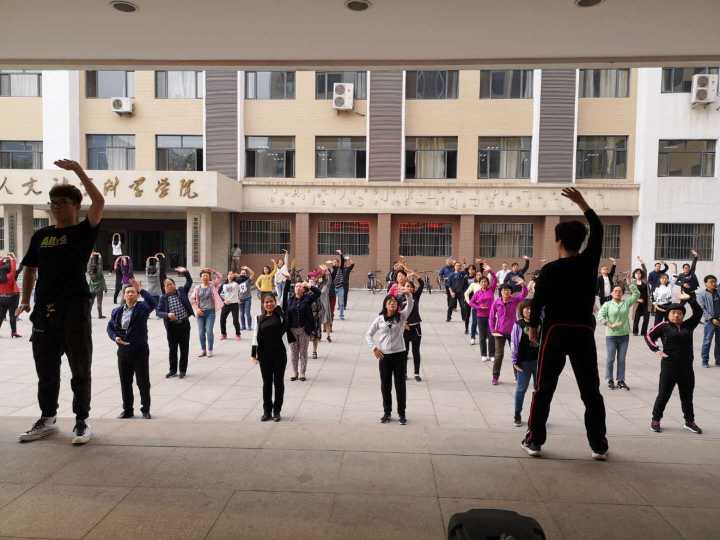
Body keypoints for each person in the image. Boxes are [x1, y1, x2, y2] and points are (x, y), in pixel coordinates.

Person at [16, 159, 104, 445]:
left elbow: (99, 201)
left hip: (74, 309)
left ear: (75, 205)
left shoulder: (83, 231)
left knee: (80, 368)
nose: (56, 206)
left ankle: (82, 420)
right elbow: (30, 269)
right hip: (44, 311)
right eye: (53, 202)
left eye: (62, 202)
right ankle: (48, 418)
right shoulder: (41, 235)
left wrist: (78, 171)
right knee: (46, 369)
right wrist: (25, 299)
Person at [522, 187, 609, 461]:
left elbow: (538, 303)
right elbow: (598, 229)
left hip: (556, 331)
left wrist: (533, 328)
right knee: (591, 391)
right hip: (583, 330)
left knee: (544, 388)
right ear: (582, 242)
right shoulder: (589, 262)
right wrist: (582, 202)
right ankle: (598, 445)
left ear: (558, 241)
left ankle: (534, 440)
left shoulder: (550, 270)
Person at [645, 293, 703, 434]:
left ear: (683, 315)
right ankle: (655, 420)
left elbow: (698, 312)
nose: (676, 315)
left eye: (679, 313)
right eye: (673, 313)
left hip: (687, 368)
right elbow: (648, 336)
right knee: (663, 395)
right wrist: (656, 349)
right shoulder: (663, 326)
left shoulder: (688, 325)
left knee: (687, 397)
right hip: (669, 367)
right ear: (668, 314)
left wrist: (690, 299)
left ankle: (689, 421)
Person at [107, 279, 156, 419]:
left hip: (140, 351)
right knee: (125, 382)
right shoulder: (117, 311)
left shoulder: (142, 308)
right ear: (124, 295)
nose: (130, 294)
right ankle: (127, 409)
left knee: (143, 382)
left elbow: (153, 303)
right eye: (127, 292)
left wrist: (141, 289)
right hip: (123, 352)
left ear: (137, 295)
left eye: (132, 292)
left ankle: (145, 409)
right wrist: (115, 337)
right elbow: (110, 328)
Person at [366, 290, 414, 425]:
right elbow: (368, 335)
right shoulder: (379, 319)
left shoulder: (401, 316)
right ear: (385, 305)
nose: (392, 304)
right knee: (385, 386)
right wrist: (374, 348)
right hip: (384, 356)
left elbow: (410, 305)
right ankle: (387, 412)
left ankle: (402, 413)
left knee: (400, 385)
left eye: (394, 302)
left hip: (399, 355)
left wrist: (408, 294)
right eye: (390, 302)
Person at [251, 293, 294, 422]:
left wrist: (279, 310)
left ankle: (277, 411)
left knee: (278, 383)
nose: (269, 304)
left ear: (275, 302)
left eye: (271, 301)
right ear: (263, 304)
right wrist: (253, 354)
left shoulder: (281, 317)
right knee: (267, 383)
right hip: (264, 355)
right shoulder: (259, 318)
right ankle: (266, 411)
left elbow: (286, 312)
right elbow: (255, 336)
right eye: (266, 302)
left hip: (279, 354)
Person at [597, 281, 641, 390]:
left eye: (620, 291)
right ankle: (610, 379)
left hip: (624, 336)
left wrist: (631, 284)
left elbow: (637, 294)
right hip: (611, 336)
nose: (617, 293)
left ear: (622, 294)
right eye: (615, 291)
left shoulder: (626, 303)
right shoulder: (607, 304)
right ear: (611, 293)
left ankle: (621, 380)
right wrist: (610, 325)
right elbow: (600, 316)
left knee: (621, 359)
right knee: (610, 359)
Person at [156, 267, 193, 378]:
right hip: (171, 327)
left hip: (184, 324)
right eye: (167, 285)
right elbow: (158, 312)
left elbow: (189, 282)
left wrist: (186, 272)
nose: (169, 286)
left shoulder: (181, 291)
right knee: (172, 349)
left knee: (184, 348)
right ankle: (172, 370)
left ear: (174, 285)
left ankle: (182, 370)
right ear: (164, 288)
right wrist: (167, 315)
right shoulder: (163, 298)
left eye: (170, 284)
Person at [489, 279, 528, 385]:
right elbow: (491, 317)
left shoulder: (515, 300)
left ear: (511, 292)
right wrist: (493, 330)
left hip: (513, 332)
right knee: (498, 355)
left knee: (516, 354)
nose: (506, 292)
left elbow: (524, 294)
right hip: (499, 333)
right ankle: (495, 377)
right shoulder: (497, 302)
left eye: (508, 290)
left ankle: (517, 377)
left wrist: (523, 285)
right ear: (500, 292)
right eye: (504, 290)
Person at [283, 281, 321, 381]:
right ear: (294, 289)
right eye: (296, 286)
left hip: (304, 329)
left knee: (303, 352)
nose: (298, 287)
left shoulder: (307, 299)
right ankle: (295, 372)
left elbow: (318, 293)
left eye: (300, 286)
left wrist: (309, 286)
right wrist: (288, 281)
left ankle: (302, 373)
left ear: (303, 290)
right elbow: (284, 293)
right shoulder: (290, 300)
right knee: (294, 352)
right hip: (292, 330)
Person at [511, 300, 539, 427]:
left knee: (540, 390)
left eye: (531, 309)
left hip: (539, 361)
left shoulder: (540, 323)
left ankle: (537, 416)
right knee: (521, 389)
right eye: (526, 309)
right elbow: (514, 344)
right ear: (522, 311)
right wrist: (514, 361)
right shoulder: (518, 325)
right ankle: (517, 414)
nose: (529, 311)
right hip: (524, 362)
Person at [190, 269, 223, 358]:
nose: (205, 277)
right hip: (200, 313)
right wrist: (197, 309)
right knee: (201, 332)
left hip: (210, 312)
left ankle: (210, 350)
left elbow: (220, 277)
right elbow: (192, 299)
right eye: (203, 276)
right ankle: (203, 350)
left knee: (209, 331)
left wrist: (212, 270)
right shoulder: (197, 288)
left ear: (209, 278)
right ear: (200, 278)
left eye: (207, 276)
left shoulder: (213, 286)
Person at [468, 267, 498, 362]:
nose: (484, 283)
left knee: (491, 335)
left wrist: (490, 271)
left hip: (491, 316)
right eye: (482, 282)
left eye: (485, 281)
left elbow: (495, 279)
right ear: (479, 283)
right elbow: (471, 303)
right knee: (482, 337)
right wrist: (479, 307)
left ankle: (492, 354)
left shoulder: (491, 290)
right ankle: (484, 354)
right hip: (480, 317)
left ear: (488, 283)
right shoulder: (477, 293)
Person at [403, 275, 425, 382]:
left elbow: (422, 283)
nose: (408, 288)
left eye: (410, 286)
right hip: (405, 329)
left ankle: (417, 373)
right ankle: (404, 373)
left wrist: (413, 274)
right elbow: (397, 313)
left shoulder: (416, 296)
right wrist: (403, 323)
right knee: (404, 352)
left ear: (413, 289)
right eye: (406, 286)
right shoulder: (400, 298)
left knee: (416, 351)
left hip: (416, 328)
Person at [696, 275, 720, 368]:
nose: (714, 283)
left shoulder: (718, 293)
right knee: (707, 341)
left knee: (719, 341)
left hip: (719, 320)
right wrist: (711, 319)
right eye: (711, 282)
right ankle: (705, 361)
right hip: (709, 322)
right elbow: (702, 309)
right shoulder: (701, 295)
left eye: (715, 281)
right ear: (706, 283)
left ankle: (718, 360)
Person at [0, 253, 22, 337]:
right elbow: (13, 269)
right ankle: (14, 332)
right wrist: (12, 259)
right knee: (12, 315)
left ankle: (13, 332)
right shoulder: (10, 276)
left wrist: (2, 259)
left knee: (1, 316)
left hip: (2, 298)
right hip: (12, 297)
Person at [219, 270, 241, 341]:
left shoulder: (237, 283)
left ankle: (238, 334)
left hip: (234, 304)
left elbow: (244, 278)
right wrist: (223, 300)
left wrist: (237, 275)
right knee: (222, 319)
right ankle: (223, 334)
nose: (230, 276)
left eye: (232, 274)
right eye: (229, 274)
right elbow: (218, 293)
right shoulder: (224, 284)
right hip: (226, 304)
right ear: (227, 275)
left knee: (235, 320)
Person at [631, 257, 650, 337]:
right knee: (637, 318)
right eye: (636, 273)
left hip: (646, 302)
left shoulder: (644, 280)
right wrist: (638, 299)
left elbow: (645, 270)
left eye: (639, 273)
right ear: (634, 275)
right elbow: (631, 294)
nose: (638, 275)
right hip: (637, 303)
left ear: (641, 274)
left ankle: (643, 332)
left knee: (646, 318)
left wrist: (641, 262)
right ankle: (635, 331)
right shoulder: (633, 283)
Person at [86, 251, 107, 319]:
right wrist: (99, 256)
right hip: (99, 288)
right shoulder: (99, 271)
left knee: (91, 302)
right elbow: (100, 264)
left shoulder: (90, 271)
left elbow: (88, 265)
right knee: (99, 302)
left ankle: (88, 314)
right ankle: (100, 315)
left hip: (92, 288)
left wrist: (91, 257)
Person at [236, 266, 255, 331]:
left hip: (247, 298)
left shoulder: (248, 280)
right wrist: (237, 299)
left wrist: (247, 268)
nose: (243, 274)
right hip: (240, 299)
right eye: (242, 273)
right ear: (240, 274)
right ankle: (243, 326)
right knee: (241, 313)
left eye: (244, 273)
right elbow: (236, 291)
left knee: (247, 313)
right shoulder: (237, 281)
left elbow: (252, 273)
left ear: (246, 274)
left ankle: (249, 326)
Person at [330, 250, 347, 320]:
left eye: (335, 262)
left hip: (340, 288)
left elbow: (342, 260)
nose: (333, 263)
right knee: (332, 303)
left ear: (337, 263)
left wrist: (340, 254)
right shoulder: (331, 270)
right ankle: (332, 314)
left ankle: (341, 315)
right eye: (333, 262)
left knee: (341, 302)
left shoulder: (340, 268)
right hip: (333, 288)